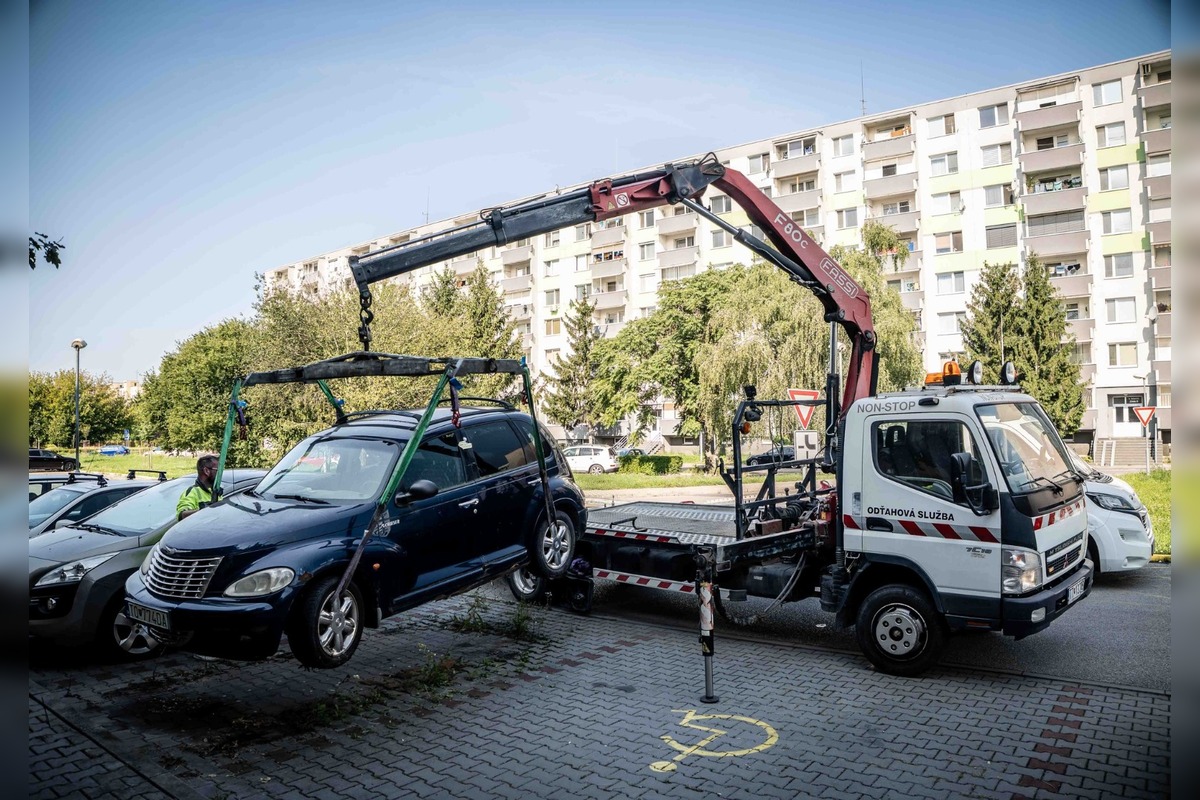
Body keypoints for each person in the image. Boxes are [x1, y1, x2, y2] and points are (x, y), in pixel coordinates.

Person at [177, 454, 219, 520]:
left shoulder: (216, 491)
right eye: (217, 470)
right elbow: (182, 515)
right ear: (206, 471)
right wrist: (205, 510)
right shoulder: (192, 492)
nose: (220, 474)